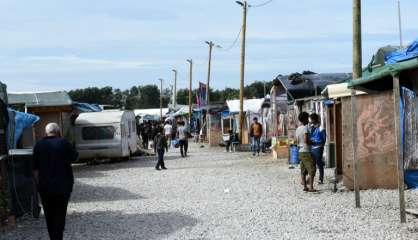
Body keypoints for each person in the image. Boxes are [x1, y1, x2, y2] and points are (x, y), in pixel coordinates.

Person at [33, 123, 77, 240]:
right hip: (63, 186)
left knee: (49, 214)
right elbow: (74, 157)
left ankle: (53, 237)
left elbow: (35, 168)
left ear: (46, 132)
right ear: (58, 132)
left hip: (45, 187)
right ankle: (58, 237)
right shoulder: (64, 143)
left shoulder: (39, 145)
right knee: (60, 214)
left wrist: (38, 184)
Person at [295, 112, 316, 192]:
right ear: (305, 119)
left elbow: (297, 141)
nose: (308, 120)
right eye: (307, 118)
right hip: (306, 151)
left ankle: (305, 186)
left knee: (303, 170)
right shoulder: (305, 128)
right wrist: (313, 142)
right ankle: (311, 187)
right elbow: (306, 140)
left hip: (300, 151)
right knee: (312, 169)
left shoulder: (298, 129)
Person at [309, 113, 327, 184]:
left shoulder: (321, 127)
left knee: (319, 163)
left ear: (314, 119)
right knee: (312, 164)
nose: (311, 121)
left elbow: (324, 138)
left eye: (311, 119)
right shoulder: (311, 127)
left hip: (318, 147)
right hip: (312, 147)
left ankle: (321, 179)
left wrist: (321, 145)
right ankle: (311, 178)